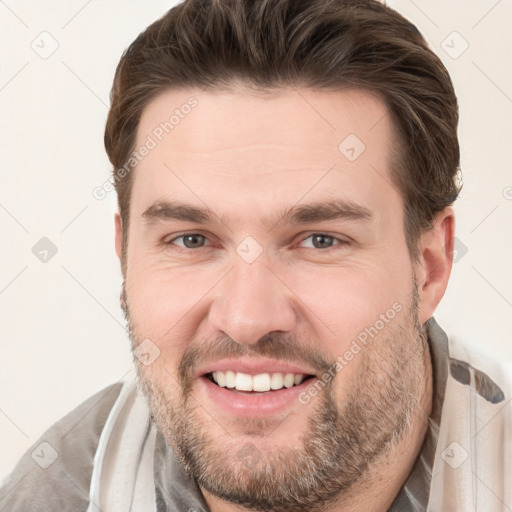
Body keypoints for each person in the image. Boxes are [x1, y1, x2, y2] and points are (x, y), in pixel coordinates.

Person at [1, 0, 511, 510]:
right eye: (191, 240)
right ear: (125, 258)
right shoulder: (55, 494)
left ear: (430, 267)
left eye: (320, 240)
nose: (247, 319)